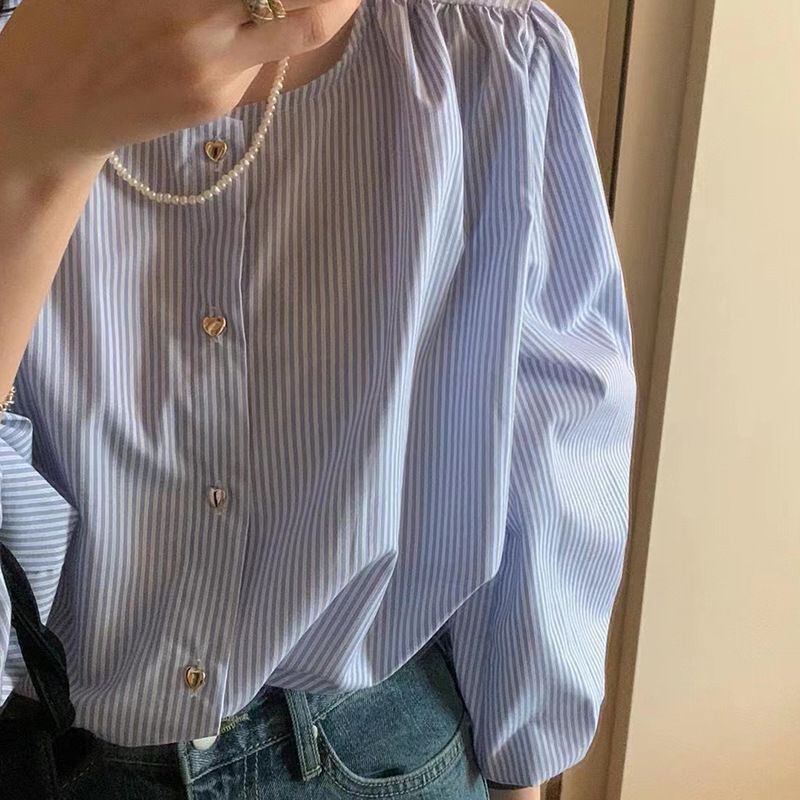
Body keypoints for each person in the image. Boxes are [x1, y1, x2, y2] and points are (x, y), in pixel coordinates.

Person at [0, 0, 638, 797]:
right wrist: (33, 144)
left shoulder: (486, 46)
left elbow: (551, 428)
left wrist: (523, 759)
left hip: (383, 752)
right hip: (43, 748)